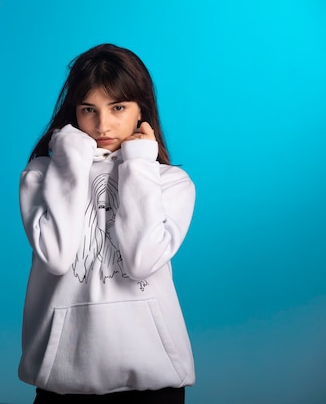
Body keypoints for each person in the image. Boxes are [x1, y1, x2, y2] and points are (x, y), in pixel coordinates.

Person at [17, 43, 196, 404]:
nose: (103, 125)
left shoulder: (171, 183)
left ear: (140, 108)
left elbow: (141, 260)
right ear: (74, 114)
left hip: (155, 380)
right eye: (89, 110)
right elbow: (56, 255)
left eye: (118, 107)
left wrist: (139, 164)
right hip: (63, 382)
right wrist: (70, 161)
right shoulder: (41, 175)